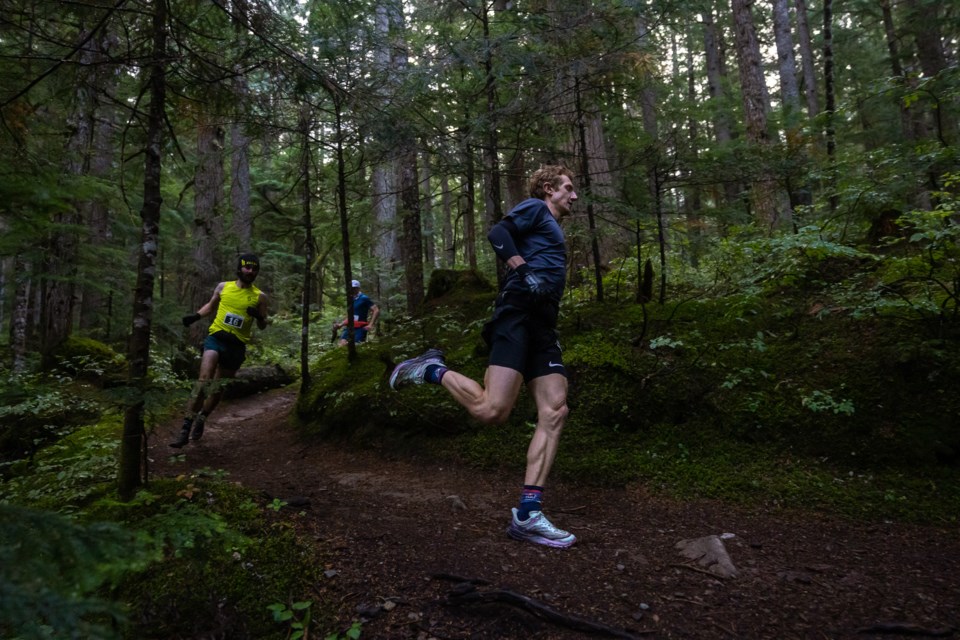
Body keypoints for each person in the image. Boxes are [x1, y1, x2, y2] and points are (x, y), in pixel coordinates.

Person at [389, 165, 578, 548]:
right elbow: (498, 233)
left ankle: (528, 515)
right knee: (493, 411)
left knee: (555, 410)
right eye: (568, 188)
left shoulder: (551, 226)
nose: (574, 196)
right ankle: (432, 369)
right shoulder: (534, 208)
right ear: (548, 189)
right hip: (518, 311)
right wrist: (522, 271)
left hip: (543, 323)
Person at [171, 253, 269, 448]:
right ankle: (185, 428)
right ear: (239, 268)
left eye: (254, 268)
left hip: (236, 346)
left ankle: (202, 418)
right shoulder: (223, 287)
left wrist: (258, 316)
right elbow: (211, 306)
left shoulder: (260, 297)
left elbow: (263, 325)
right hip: (216, 339)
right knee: (203, 381)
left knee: (217, 389)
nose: (250, 271)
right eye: (247, 267)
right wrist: (195, 316)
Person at [334, 279, 379, 346]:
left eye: (354, 288)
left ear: (358, 288)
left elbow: (376, 310)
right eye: (351, 288)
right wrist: (341, 325)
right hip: (349, 327)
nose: (352, 290)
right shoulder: (350, 299)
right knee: (341, 344)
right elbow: (350, 316)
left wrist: (370, 324)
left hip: (360, 328)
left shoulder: (364, 298)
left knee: (356, 346)